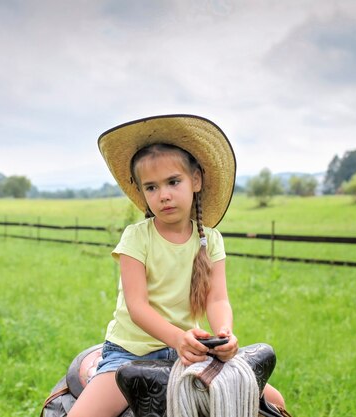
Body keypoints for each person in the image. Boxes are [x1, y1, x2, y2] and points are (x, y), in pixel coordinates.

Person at [67, 114, 285, 417]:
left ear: (195, 180)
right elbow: (137, 306)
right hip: (132, 352)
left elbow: (217, 298)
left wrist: (224, 333)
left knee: (275, 402)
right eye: (152, 187)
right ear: (142, 192)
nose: (164, 195)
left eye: (173, 181)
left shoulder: (211, 239)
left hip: (190, 351)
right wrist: (176, 339)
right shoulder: (136, 238)